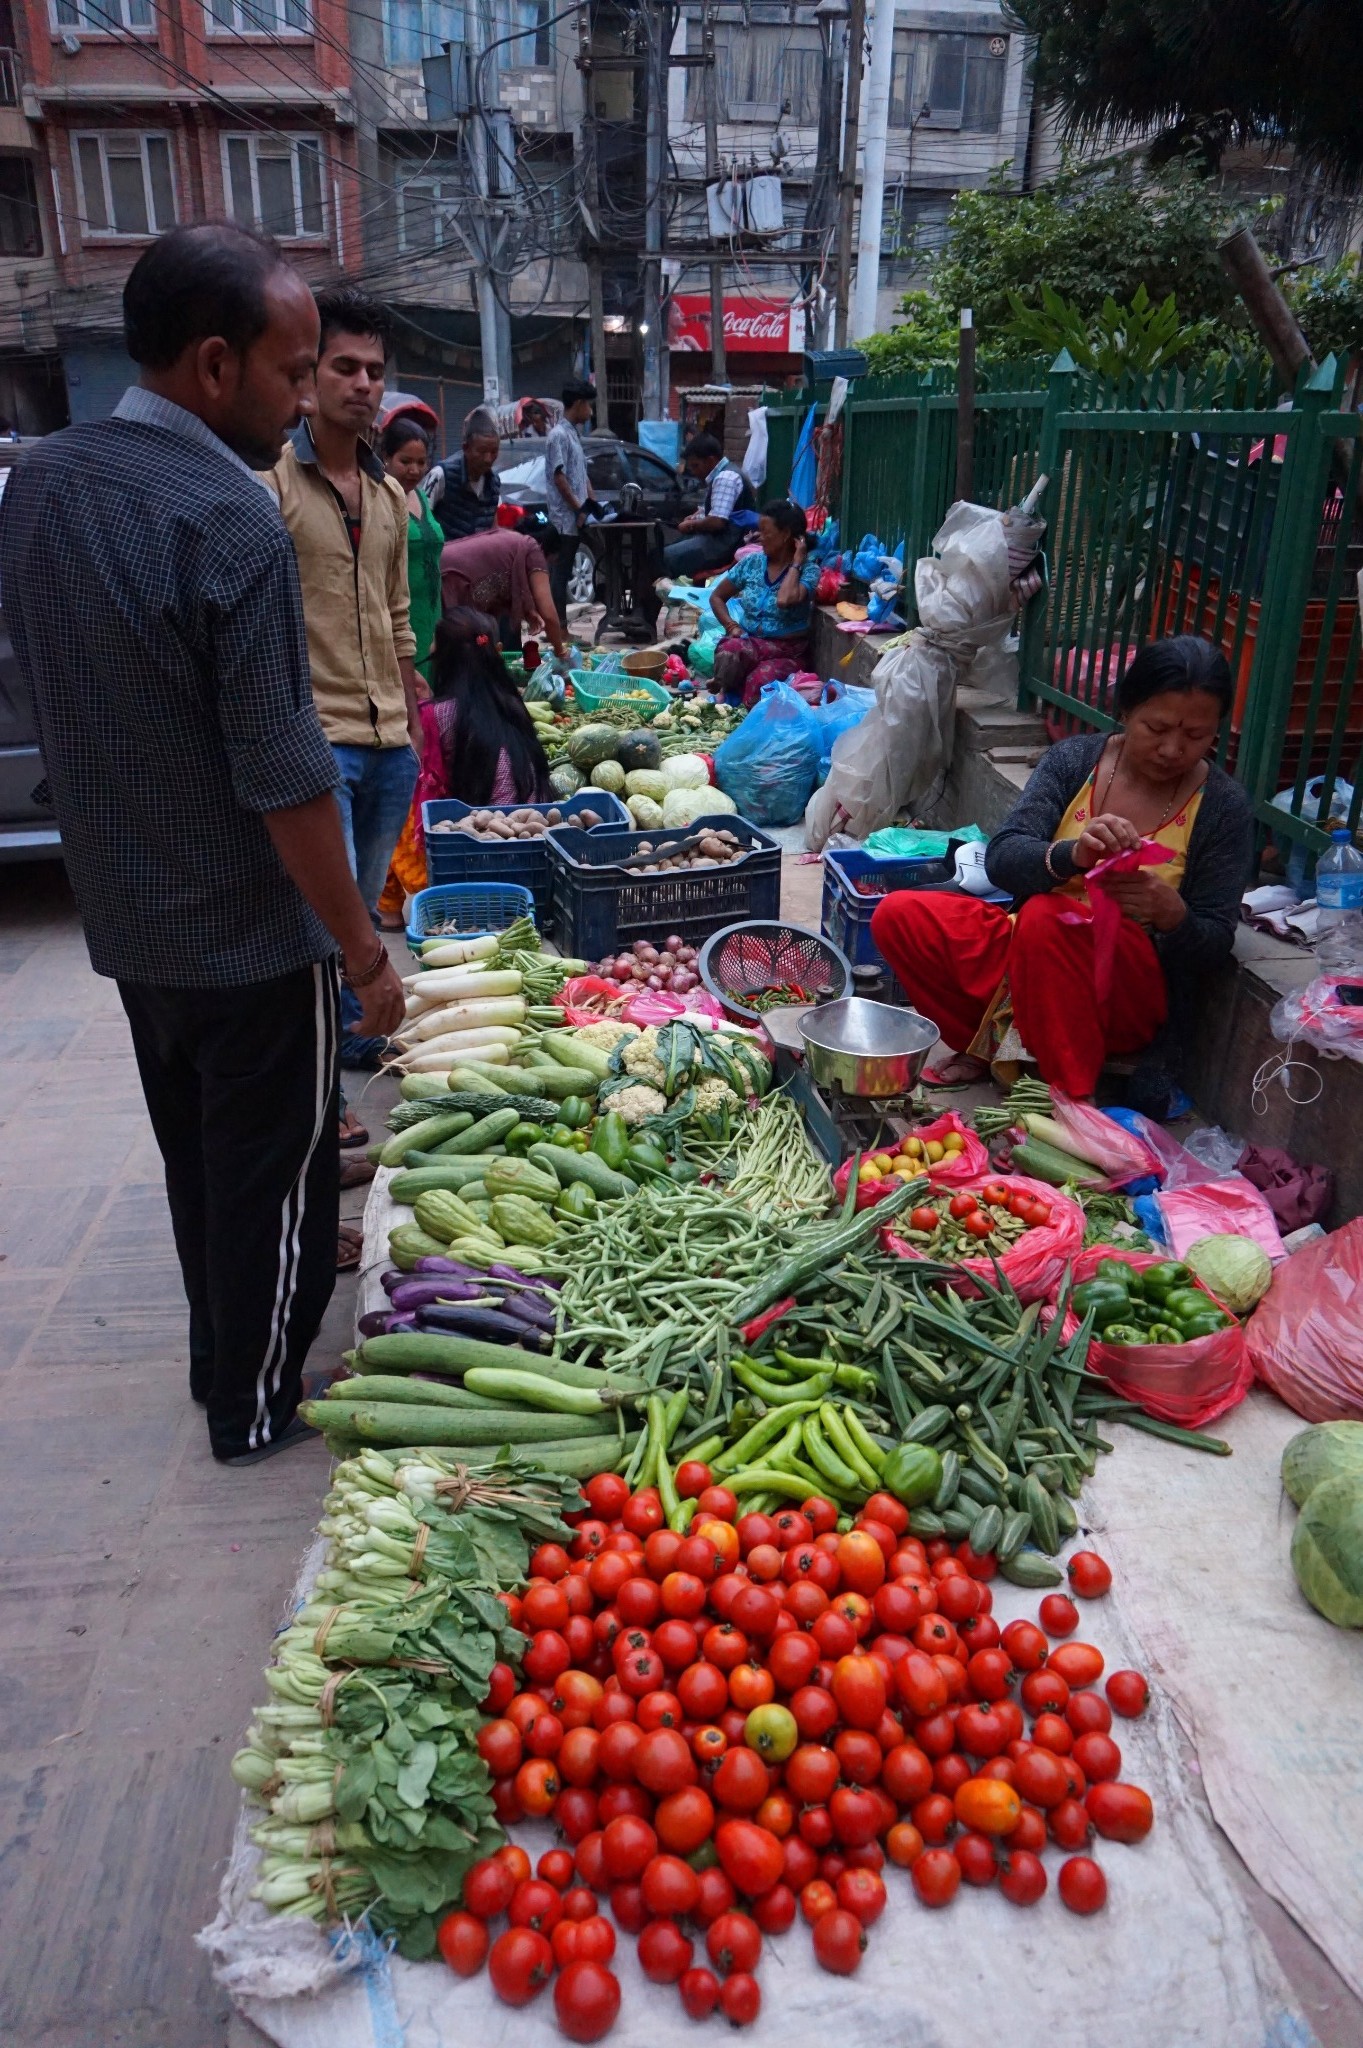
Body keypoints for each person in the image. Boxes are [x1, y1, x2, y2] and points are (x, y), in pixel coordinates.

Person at [0, 223, 404, 1466]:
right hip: (244, 929)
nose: (302, 404)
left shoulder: (42, 482)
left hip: (127, 913)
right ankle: (255, 1399)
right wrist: (359, 948)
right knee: (275, 1173)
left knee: (194, 1162)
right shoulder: (230, 521)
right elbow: (288, 777)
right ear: (216, 365)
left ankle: (210, 1359)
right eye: (293, 375)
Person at [871, 637, 1255, 1107]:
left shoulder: (1223, 807)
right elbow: (1004, 857)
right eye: (1157, 727)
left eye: (1196, 736)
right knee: (900, 916)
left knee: (1050, 919)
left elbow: (1215, 941)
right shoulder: (1075, 762)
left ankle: (1071, 1102)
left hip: (1123, 989)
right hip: (1027, 955)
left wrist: (1172, 915)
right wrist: (1069, 855)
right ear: (1128, 710)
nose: (1173, 749)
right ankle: (987, 1044)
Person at [264, 287, 421, 1098]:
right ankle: (314, 1081)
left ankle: (346, 1043)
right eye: (345, 367)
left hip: (386, 738)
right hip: (315, 736)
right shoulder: (273, 488)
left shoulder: (391, 496)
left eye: (374, 371)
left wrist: (410, 719)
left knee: (359, 904)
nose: (363, 385)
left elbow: (396, 618)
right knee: (316, 919)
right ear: (307, 378)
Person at [709, 499, 820, 705]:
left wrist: (796, 563)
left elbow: (784, 600)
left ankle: (742, 707)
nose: (759, 538)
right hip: (751, 643)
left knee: (758, 682)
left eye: (765, 531)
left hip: (787, 651)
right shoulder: (752, 563)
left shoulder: (809, 570)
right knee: (730, 650)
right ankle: (724, 687)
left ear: (786, 534)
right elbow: (717, 596)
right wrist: (731, 626)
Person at [439, 514, 572, 663]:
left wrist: (527, 611)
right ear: (544, 551)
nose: (545, 569)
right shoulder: (533, 549)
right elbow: (548, 614)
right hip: (443, 581)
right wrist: (561, 652)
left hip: (441, 570)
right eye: (548, 563)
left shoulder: (510, 544)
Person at [381, 415, 442, 683]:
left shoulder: (420, 495)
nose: (415, 470)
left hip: (432, 612)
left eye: (421, 462)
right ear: (386, 458)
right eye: (405, 462)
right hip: (401, 617)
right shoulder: (379, 498)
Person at [662, 431, 756, 579]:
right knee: (665, 551)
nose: (693, 471)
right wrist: (697, 516)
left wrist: (691, 525)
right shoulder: (724, 474)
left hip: (725, 545)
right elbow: (717, 509)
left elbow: (717, 521)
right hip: (721, 541)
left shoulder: (726, 477)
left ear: (711, 460)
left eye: (696, 466)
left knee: (663, 558)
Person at [544, 376, 596, 627]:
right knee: (560, 573)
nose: (590, 411)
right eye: (588, 405)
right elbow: (559, 477)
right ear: (578, 403)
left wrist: (591, 504)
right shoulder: (557, 435)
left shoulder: (573, 434)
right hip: (564, 520)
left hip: (579, 517)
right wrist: (578, 508)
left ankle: (561, 627)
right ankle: (558, 629)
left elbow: (581, 475)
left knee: (564, 571)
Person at [430, 405, 502, 541]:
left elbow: (494, 530)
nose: (488, 459)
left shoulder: (494, 484)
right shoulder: (440, 475)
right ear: (466, 448)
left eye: (494, 452)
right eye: (481, 451)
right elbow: (420, 520)